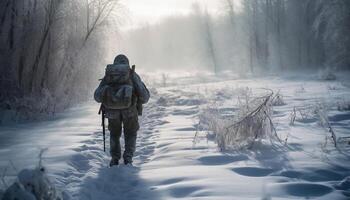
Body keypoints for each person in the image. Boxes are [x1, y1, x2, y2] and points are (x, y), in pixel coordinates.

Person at [94, 54, 150, 166]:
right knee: (130, 133)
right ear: (127, 63)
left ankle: (115, 159)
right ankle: (128, 159)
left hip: (112, 112)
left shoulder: (109, 76)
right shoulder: (131, 74)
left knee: (114, 134)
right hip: (130, 112)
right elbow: (145, 97)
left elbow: (97, 96)